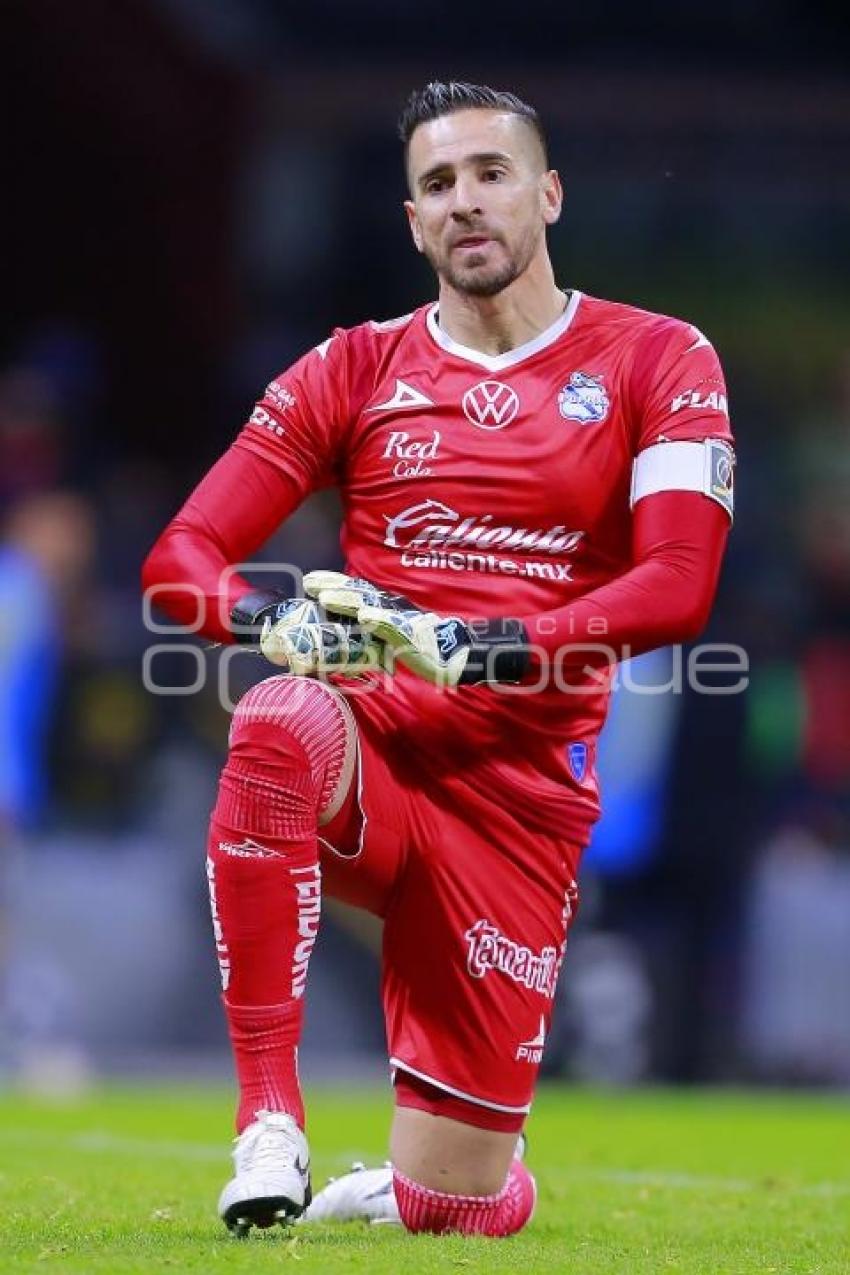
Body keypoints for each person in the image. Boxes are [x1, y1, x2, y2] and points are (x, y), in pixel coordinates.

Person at [142, 80, 735, 1238]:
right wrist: (273, 619)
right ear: (413, 221)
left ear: (547, 193)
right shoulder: (353, 370)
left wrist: (487, 648)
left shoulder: (658, 360)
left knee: (457, 1209)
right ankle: (268, 1121)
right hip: (371, 758)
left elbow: (678, 585)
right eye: (436, 185)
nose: (465, 203)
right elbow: (182, 556)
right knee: (278, 715)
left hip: (519, 808)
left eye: (489, 173)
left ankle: (417, 1184)